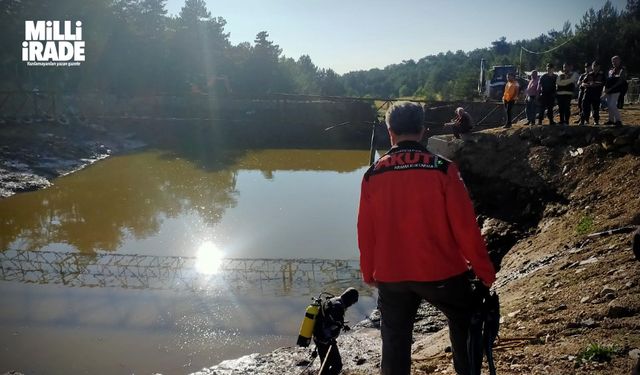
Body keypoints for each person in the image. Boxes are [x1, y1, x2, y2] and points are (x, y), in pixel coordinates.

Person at [357, 102, 496, 375]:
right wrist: (484, 272)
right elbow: (465, 228)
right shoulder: (443, 169)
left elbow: (365, 229)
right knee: (465, 319)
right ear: (422, 131)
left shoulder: (373, 175)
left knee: (395, 339)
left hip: (392, 275)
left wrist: (368, 271)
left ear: (389, 131)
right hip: (442, 273)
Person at [313, 287, 359, 375]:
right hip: (324, 339)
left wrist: (342, 325)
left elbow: (331, 319)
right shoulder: (337, 307)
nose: (351, 305)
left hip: (317, 335)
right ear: (349, 299)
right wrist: (329, 338)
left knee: (325, 365)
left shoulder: (334, 300)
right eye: (352, 303)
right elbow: (326, 325)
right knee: (337, 365)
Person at [604, 55, 627, 126]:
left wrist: (611, 88)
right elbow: (608, 80)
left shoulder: (622, 70)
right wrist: (606, 89)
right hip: (609, 90)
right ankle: (611, 120)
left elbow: (620, 81)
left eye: (616, 61)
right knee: (609, 105)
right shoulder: (611, 70)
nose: (614, 62)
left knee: (612, 105)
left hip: (617, 89)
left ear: (619, 61)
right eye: (613, 61)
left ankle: (618, 120)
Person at [581, 61, 605, 125]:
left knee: (596, 108)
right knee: (585, 107)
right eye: (594, 66)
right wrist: (587, 85)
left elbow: (604, 83)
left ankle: (596, 121)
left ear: (599, 67)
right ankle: (585, 120)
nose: (595, 67)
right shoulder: (589, 74)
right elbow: (583, 83)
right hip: (587, 93)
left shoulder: (602, 75)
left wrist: (595, 85)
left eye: (596, 66)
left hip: (596, 94)